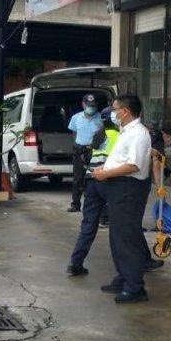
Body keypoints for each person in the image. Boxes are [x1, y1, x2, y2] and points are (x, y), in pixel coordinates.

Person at [91, 94, 154, 303]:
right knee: (118, 236)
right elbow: (121, 159)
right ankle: (123, 277)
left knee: (127, 237)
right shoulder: (126, 131)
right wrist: (105, 168)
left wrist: (106, 174)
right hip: (118, 187)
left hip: (128, 188)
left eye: (115, 109)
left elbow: (133, 165)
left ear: (125, 111)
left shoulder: (138, 133)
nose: (113, 113)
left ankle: (135, 287)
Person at [67, 108, 120, 276]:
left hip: (91, 181)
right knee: (120, 224)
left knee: (88, 224)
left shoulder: (98, 135)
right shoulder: (118, 136)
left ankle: (75, 262)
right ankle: (124, 267)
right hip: (108, 180)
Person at [67, 94, 104, 212]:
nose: (91, 108)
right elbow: (74, 133)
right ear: (83, 104)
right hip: (80, 151)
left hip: (95, 151)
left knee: (95, 178)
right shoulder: (75, 118)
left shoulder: (101, 118)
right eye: (89, 105)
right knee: (78, 179)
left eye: (93, 105)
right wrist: (77, 146)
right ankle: (75, 204)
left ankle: (95, 206)